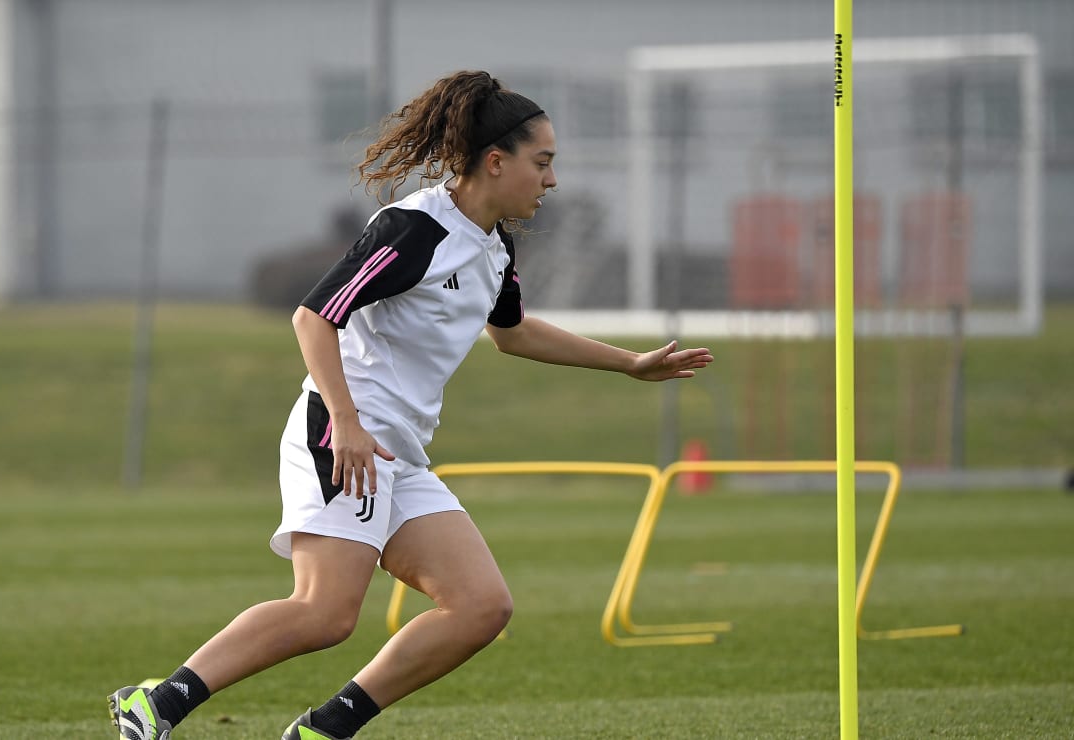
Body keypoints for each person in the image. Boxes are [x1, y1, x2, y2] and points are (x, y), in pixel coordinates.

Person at [108, 70, 714, 740]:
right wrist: (347, 422)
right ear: (494, 161)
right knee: (324, 613)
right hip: (343, 437)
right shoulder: (414, 229)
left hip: (398, 453)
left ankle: (322, 730)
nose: (552, 181)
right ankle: (157, 703)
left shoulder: (491, 245)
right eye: (541, 163)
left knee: (481, 607)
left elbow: (510, 333)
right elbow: (314, 318)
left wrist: (629, 363)